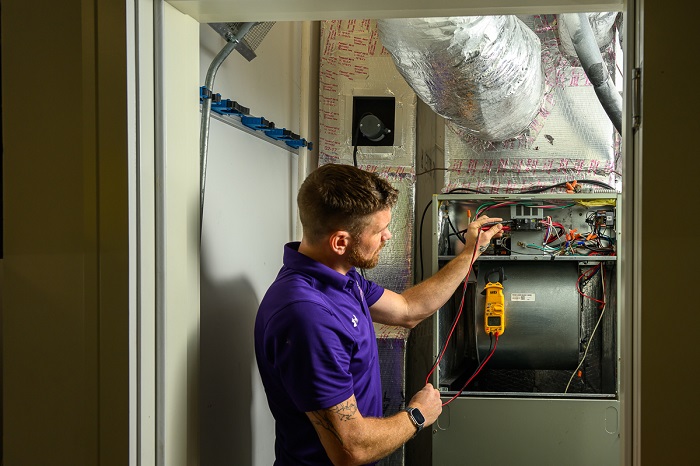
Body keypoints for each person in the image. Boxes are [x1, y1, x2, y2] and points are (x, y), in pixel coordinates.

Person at [254, 163, 503, 466]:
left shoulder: (340, 277)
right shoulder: (308, 317)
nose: (388, 236)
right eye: (378, 230)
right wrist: (417, 415)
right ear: (340, 242)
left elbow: (409, 309)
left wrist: (470, 253)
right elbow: (351, 449)